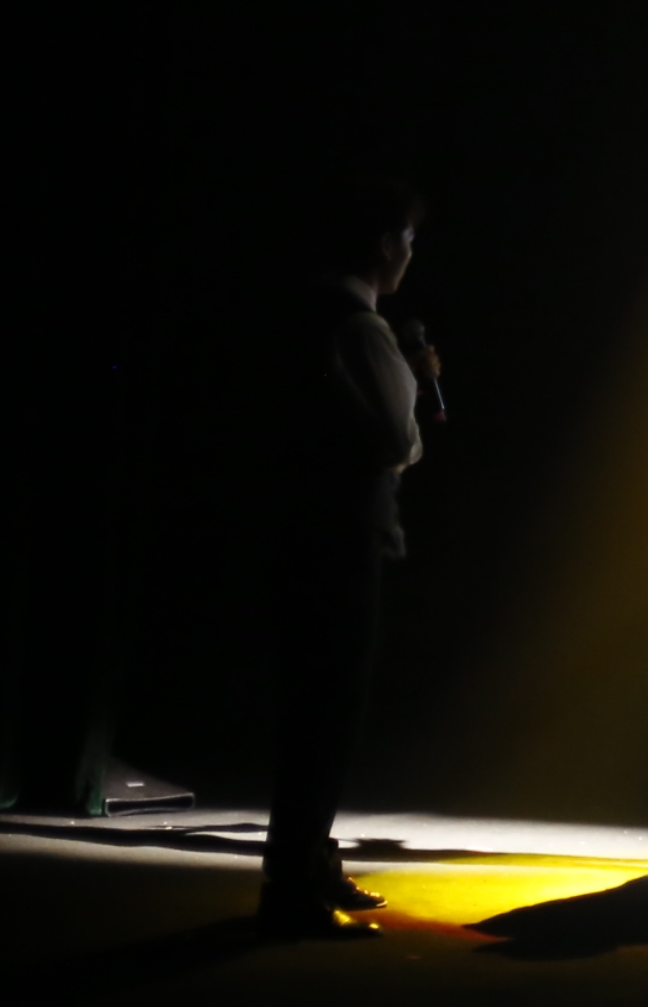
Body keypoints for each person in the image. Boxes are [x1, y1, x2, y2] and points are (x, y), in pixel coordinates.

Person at [261, 179, 439, 939]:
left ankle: (311, 861)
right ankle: (294, 885)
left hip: (313, 534)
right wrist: (417, 380)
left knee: (318, 709)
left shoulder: (313, 317)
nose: (410, 254)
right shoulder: (361, 328)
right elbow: (400, 442)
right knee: (327, 714)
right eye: (407, 239)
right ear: (383, 243)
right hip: (343, 540)